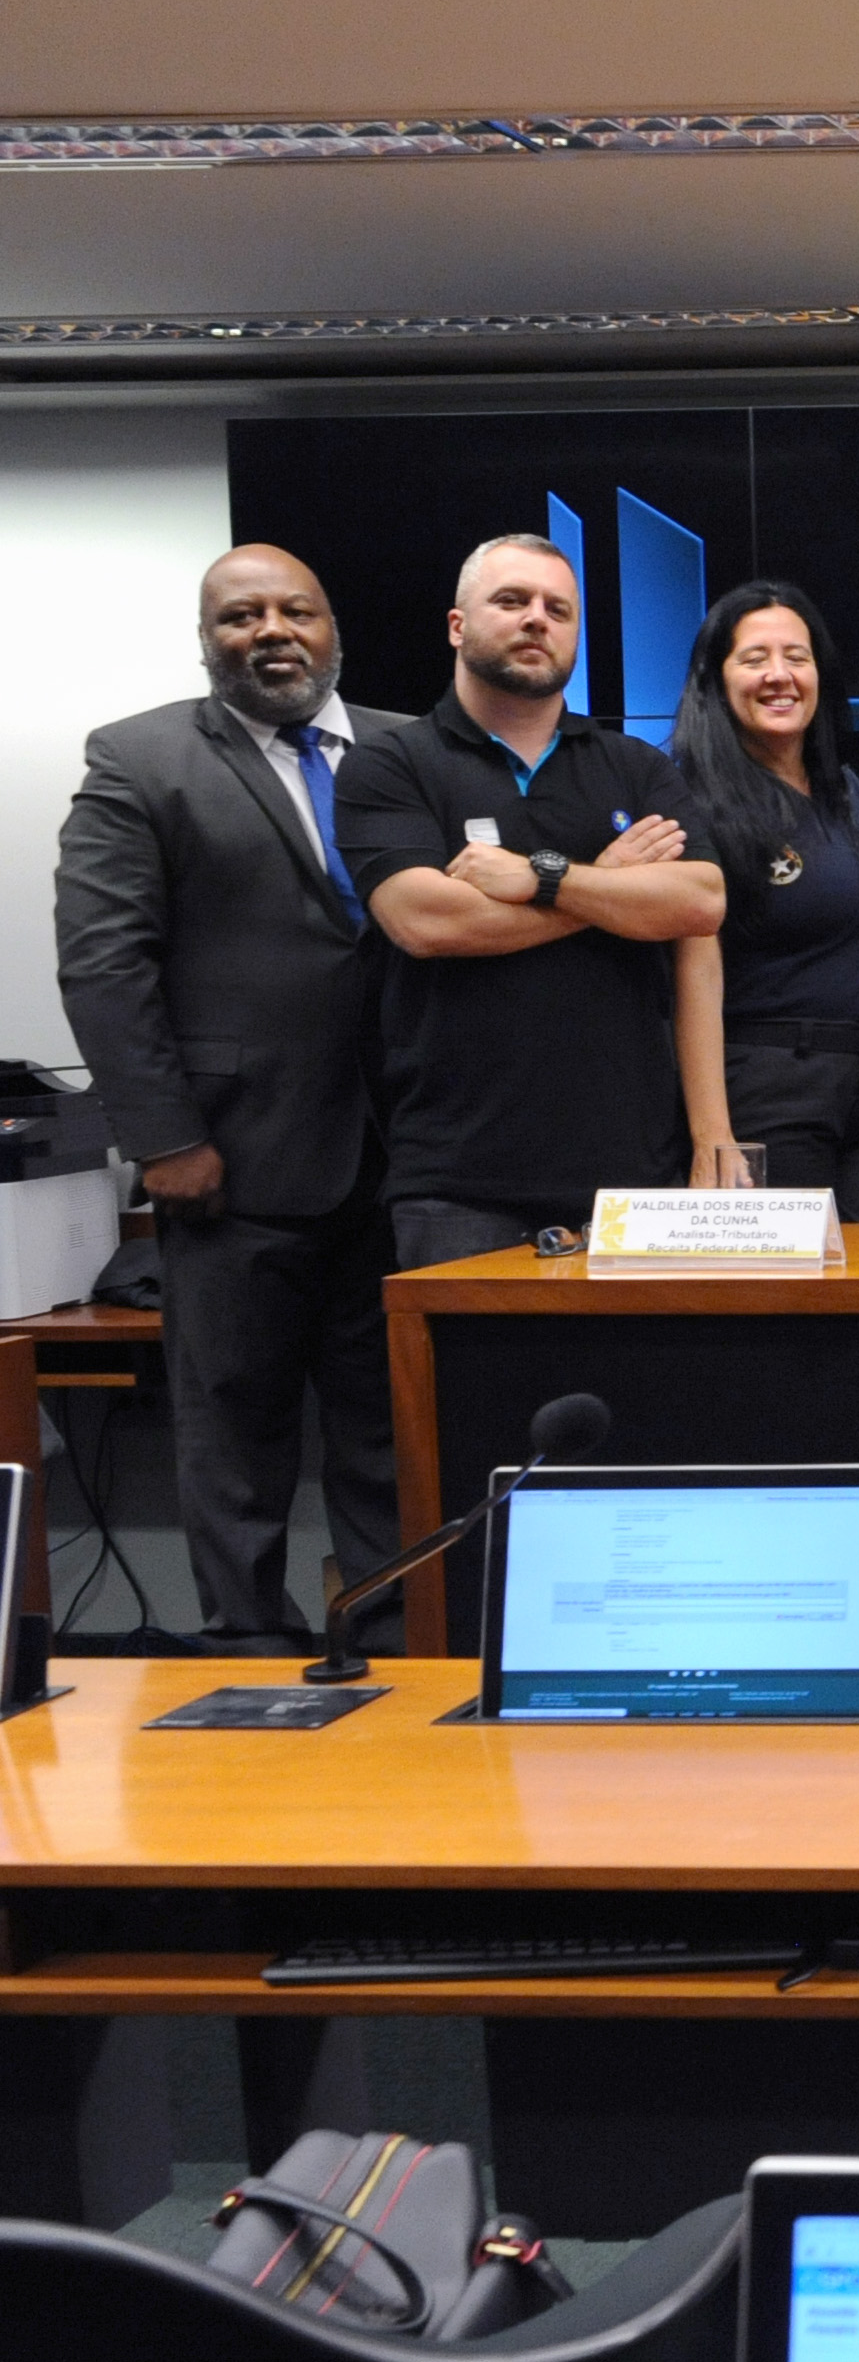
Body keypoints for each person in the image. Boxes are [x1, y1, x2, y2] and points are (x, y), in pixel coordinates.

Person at [53, 545, 403, 1642]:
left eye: (296, 608)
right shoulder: (141, 757)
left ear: (333, 626)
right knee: (237, 1431)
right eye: (241, 614)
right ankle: (246, 1653)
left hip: (408, 1156)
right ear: (207, 640)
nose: (271, 631)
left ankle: (395, 1644)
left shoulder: (410, 750)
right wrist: (163, 1137)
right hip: (232, 1162)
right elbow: (105, 962)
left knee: (391, 1432)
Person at [333, 534, 720, 1267]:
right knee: (469, 1386)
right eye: (512, 601)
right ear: (457, 625)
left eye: (557, 609)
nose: (537, 619)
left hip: (632, 1173)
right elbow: (423, 920)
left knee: (646, 1386)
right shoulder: (389, 764)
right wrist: (608, 881)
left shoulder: (636, 767)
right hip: (457, 1180)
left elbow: (698, 903)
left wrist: (542, 876)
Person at [663, 582, 859, 1217]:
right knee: (793, 1303)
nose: (779, 676)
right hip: (769, 1088)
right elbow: (691, 977)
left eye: (796, 657)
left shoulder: (848, 793)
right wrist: (713, 1137)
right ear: (715, 678)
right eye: (754, 659)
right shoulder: (687, 798)